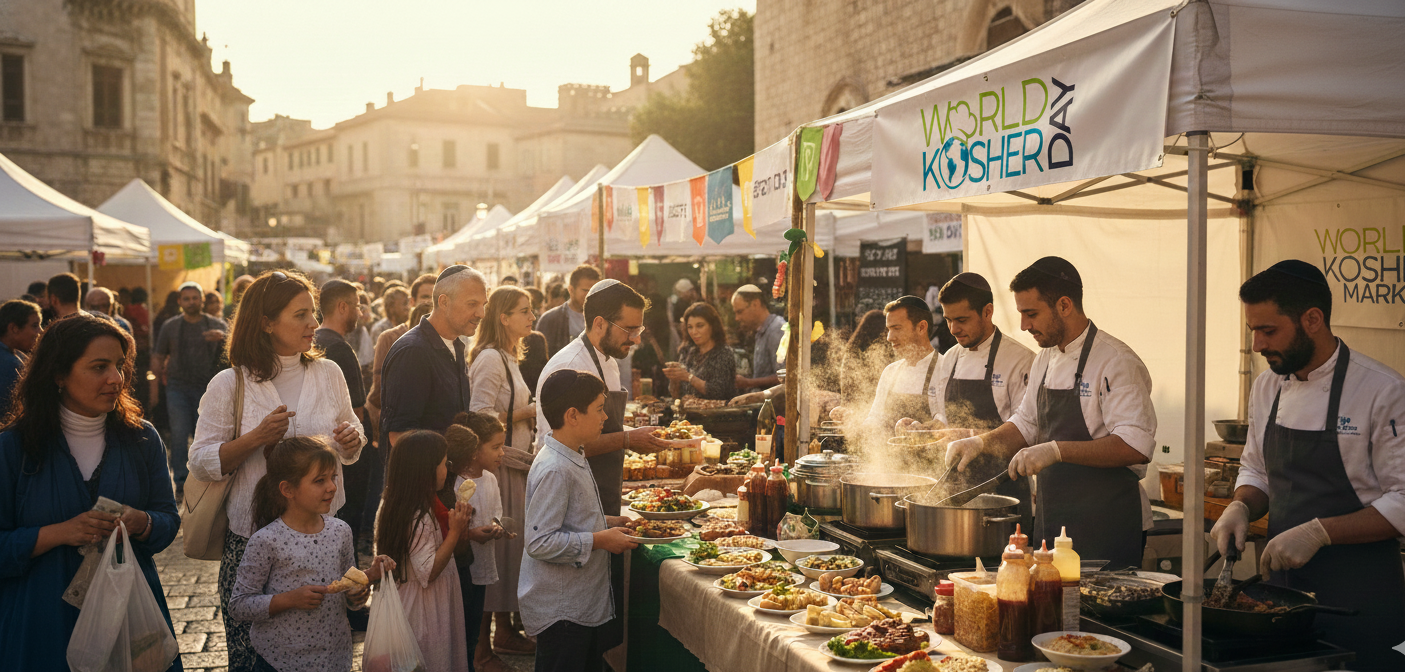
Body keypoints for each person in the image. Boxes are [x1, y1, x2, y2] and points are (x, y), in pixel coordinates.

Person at [1210, 260, 1405, 670]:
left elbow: (1403, 500)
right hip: (1282, 595)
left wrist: (1320, 532)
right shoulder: (1267, 386)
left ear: (1312, 319)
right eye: (1253, 332)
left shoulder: (1381, 390)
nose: (1257, 346)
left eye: (1269, 331)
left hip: (1359, 597)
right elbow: (1256, 469)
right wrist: (1242, 505)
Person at [187, 270, 365, 672]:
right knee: (253, 657)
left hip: (320, 537)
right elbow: (199, 460)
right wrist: (254, 439)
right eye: (300, 315)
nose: (314, 324)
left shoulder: (329, 373)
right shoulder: (229, 384)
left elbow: (353, 431)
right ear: (266, 322)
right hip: (253, 538)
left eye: (313, 313)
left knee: (322, 649)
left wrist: (352, 442)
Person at [946, 257, 1156, 570]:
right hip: (1054, 520)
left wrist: (1057, 450)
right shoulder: (1045, 357)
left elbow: (1136, 446)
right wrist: (981, 443)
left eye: (1031, 314)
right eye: (1021, 314)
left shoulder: (1115, 361)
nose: (1023, 325)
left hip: (1105, 524)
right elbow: (1026, 422)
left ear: (1065, 305)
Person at [0, 313, 181, 670]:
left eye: (118, 365)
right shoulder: (14, 448)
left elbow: (168, 520)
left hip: (129, 624)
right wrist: (56, 534)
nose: (115, 378)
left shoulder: (143, 438)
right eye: (99, 367)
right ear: (58, 374)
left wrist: (141, 522)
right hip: (40, 627)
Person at [229, 436, 395, 672]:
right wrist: (289, 599)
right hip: (280, 662)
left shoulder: (340, 531)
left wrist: (358, 591)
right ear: (288, 489)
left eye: (333, 477)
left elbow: (346, 592)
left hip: (333, 658)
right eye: (319, 480)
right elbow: (239, 605)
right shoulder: (266, 540)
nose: (332, 487)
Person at [521, 369, 640, 672]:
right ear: (572, 415)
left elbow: (571, 517)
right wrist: (600, 539)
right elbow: (539, 541)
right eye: (599, 409)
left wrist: (608, 521)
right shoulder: (556, 468)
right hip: (563, 614)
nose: (605, 417)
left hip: (579, 604)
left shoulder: (572, 453)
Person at [899, 273, 1036, 531]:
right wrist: (926, 428)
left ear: (987, 312)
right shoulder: (950, 358)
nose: (953, 329)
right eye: (948, 320)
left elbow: (1028, 433)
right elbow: (944, 418)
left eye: (961, 320)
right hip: (955, 489)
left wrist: (972, 436)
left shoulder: (1020, 360)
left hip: (1004, 493)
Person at [534, 280, 668, 512]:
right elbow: (561, 445)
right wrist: (628, 439)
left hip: (601, 490)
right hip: (567, 498)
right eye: (629, 330)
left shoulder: (610, 362)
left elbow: (603, 428)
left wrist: (637, 436)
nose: (636, 339)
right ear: (599, 324)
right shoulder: (571, 366)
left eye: (639, 330)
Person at [467, 287, 539, 659]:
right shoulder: (491, 359)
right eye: (524, 311)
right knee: (496, 555)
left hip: (512, 462)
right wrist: (527, 413)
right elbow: (478, 415)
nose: (532, 316)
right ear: (503, 317)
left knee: (511, 553)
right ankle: (482, 649)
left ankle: (506, 631)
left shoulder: (508, 357)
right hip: (498, 465)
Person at [375, 429, 472, 672]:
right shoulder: (416, 515)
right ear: (425, 470)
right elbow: (428, 572)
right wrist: (455, 531)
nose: (447, 469)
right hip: (425, 613)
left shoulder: (397, 502)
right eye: (443, 463)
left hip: (421, 604)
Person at [379, 265, 487, 452]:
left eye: (483, 305)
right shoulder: (413, 352)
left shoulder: (455, 345)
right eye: (472, 304)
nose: (481, 313)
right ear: (444, 302)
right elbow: (400, 436)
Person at [446, 415, 513, 672]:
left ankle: (474, 659)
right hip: (461, 566)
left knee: (476, 618)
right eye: (495, 447)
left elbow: (496, 512)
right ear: (475, 451)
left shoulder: (492, 480)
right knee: (461, 626)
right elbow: (451, 530)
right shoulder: (455, 484)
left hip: (483, 562)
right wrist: (473, 534)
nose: (502, 453)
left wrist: (499, 529)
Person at [153, 281, 229, 492]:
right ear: (179, 301)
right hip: (177, 387)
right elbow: (158, 355)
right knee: (178, 434)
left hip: (208, 388)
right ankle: (180, 481)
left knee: (204, 436)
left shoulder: (217, 325)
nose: (191, 302)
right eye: (186, 298)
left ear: (202, 300)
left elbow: (234, 353)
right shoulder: (170, 326)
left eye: (195, 298)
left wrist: (222, 338)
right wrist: (155, 386)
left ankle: (202, 480)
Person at [316, 280, 370, 549]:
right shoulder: (340, 349)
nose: (360, 313)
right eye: (357, 306)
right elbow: (356, 413)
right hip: (343, 456)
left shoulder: (313, 340)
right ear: (342, 307)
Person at [831, 296, 937, 434]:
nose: (889, 337)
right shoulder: (890, 371)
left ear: (921, 328)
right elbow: (875, 419)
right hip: (886, 455)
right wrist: (853, 419)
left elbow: (949, 425)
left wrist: (923, 430)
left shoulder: (945, 368)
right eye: (888, 330)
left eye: (897, 328)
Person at [664, 301, 737, 400]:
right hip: (688, 413)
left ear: (712, 326)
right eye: (690, 327)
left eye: (700, 326)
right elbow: (676, 395)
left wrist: (688, 377)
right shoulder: (688, 351)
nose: (694, 332)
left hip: (716, 413)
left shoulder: (723, 353)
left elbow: (718, 392)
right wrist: (674, 377)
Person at [536, 264, 601, 357]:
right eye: (585, 290)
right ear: (571, 290)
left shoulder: (606, 319)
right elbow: (540, 359)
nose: (591, 295)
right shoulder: (550, 320)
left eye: (595, 290)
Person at [731, 285, 785, 393]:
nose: (737, 318)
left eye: (740, 312)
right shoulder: (762, 331)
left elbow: (785, 377)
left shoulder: (777, 329)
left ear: (755, 304)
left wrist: (749, 382)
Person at [0, 299, 40, 418]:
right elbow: (11, 415)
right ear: (14, 328)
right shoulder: (11, 365)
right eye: (35, 326)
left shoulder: (15, 356)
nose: (40, 332)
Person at [666, 278, 700, 361]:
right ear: (683, 292)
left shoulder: (685, 303)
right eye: (689, 291)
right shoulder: (681, 304)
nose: (691, 293)